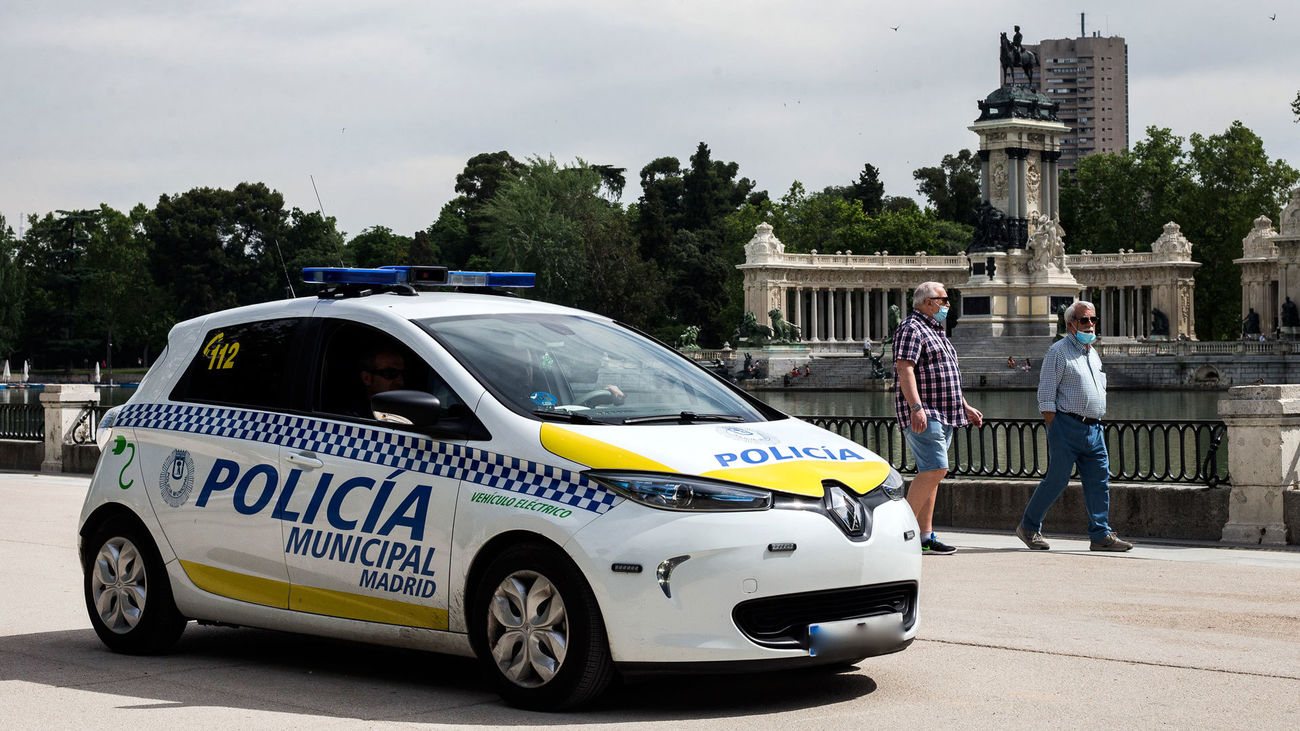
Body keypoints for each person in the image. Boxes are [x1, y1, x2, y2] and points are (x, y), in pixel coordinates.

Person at [1015, 301, 1133, 552]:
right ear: (1070, 325)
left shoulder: (1092, 351)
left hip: (1095, 428)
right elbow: (1045, 395)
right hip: (1067, 425)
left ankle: (1100, 534)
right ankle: (1028, 526)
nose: (1089, 324)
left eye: (1092, 319)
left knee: (1099, 481)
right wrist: (1055, 426)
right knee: (1057, 481)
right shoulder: (1058, 352)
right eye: (1083, 320)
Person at [893, 281, 983, 555]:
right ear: (928, 302)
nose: (948, 304)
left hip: (945, 411)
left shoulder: (936, 330)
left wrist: (964, 406)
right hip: (927, 411)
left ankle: (925, 536)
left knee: (931, 474)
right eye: (944, 300)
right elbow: (904, 368)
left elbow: (947, 375)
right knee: (936, 470)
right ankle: (898, 533)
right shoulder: (912, 328)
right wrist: (916, 407)